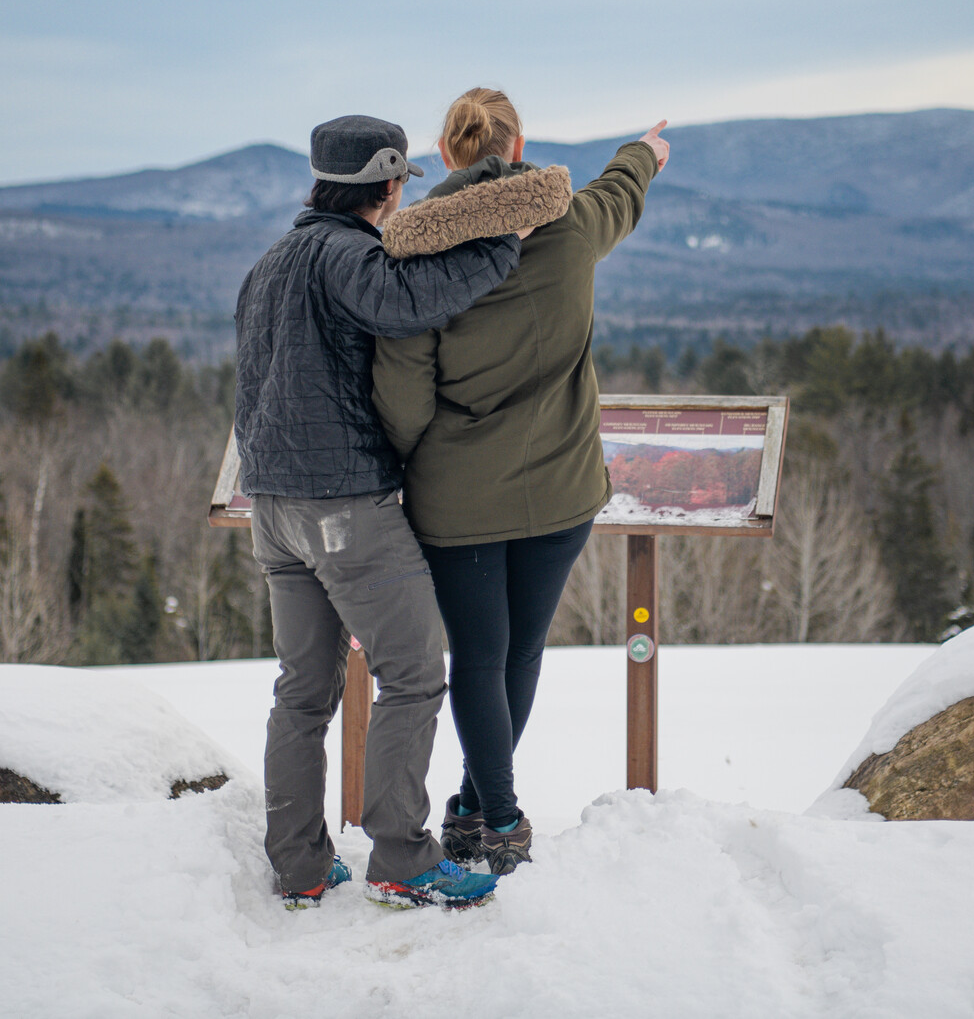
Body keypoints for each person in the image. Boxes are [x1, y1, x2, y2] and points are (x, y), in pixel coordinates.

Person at [234, 113, 564, 911]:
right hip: (343, 502)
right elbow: (412, 301)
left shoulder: (271, 260)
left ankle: (300, 863)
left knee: (303, 689)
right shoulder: (349, 254)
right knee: (414, 675)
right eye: (400, 182)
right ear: (384, 183)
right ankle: (403, 857)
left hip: (272, 504)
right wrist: (504, 238)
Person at [372, 88, 669, 875]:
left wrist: (400, 458)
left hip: (457, 495)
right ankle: (479, 809)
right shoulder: (570, 224)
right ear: (520, 142)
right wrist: (644, 153)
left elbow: (403, 387)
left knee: (477, 656)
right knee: (520, 656)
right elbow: (620, 194)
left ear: (447, 154)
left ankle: (491, 813)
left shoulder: (416, 250)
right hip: (562, 486)